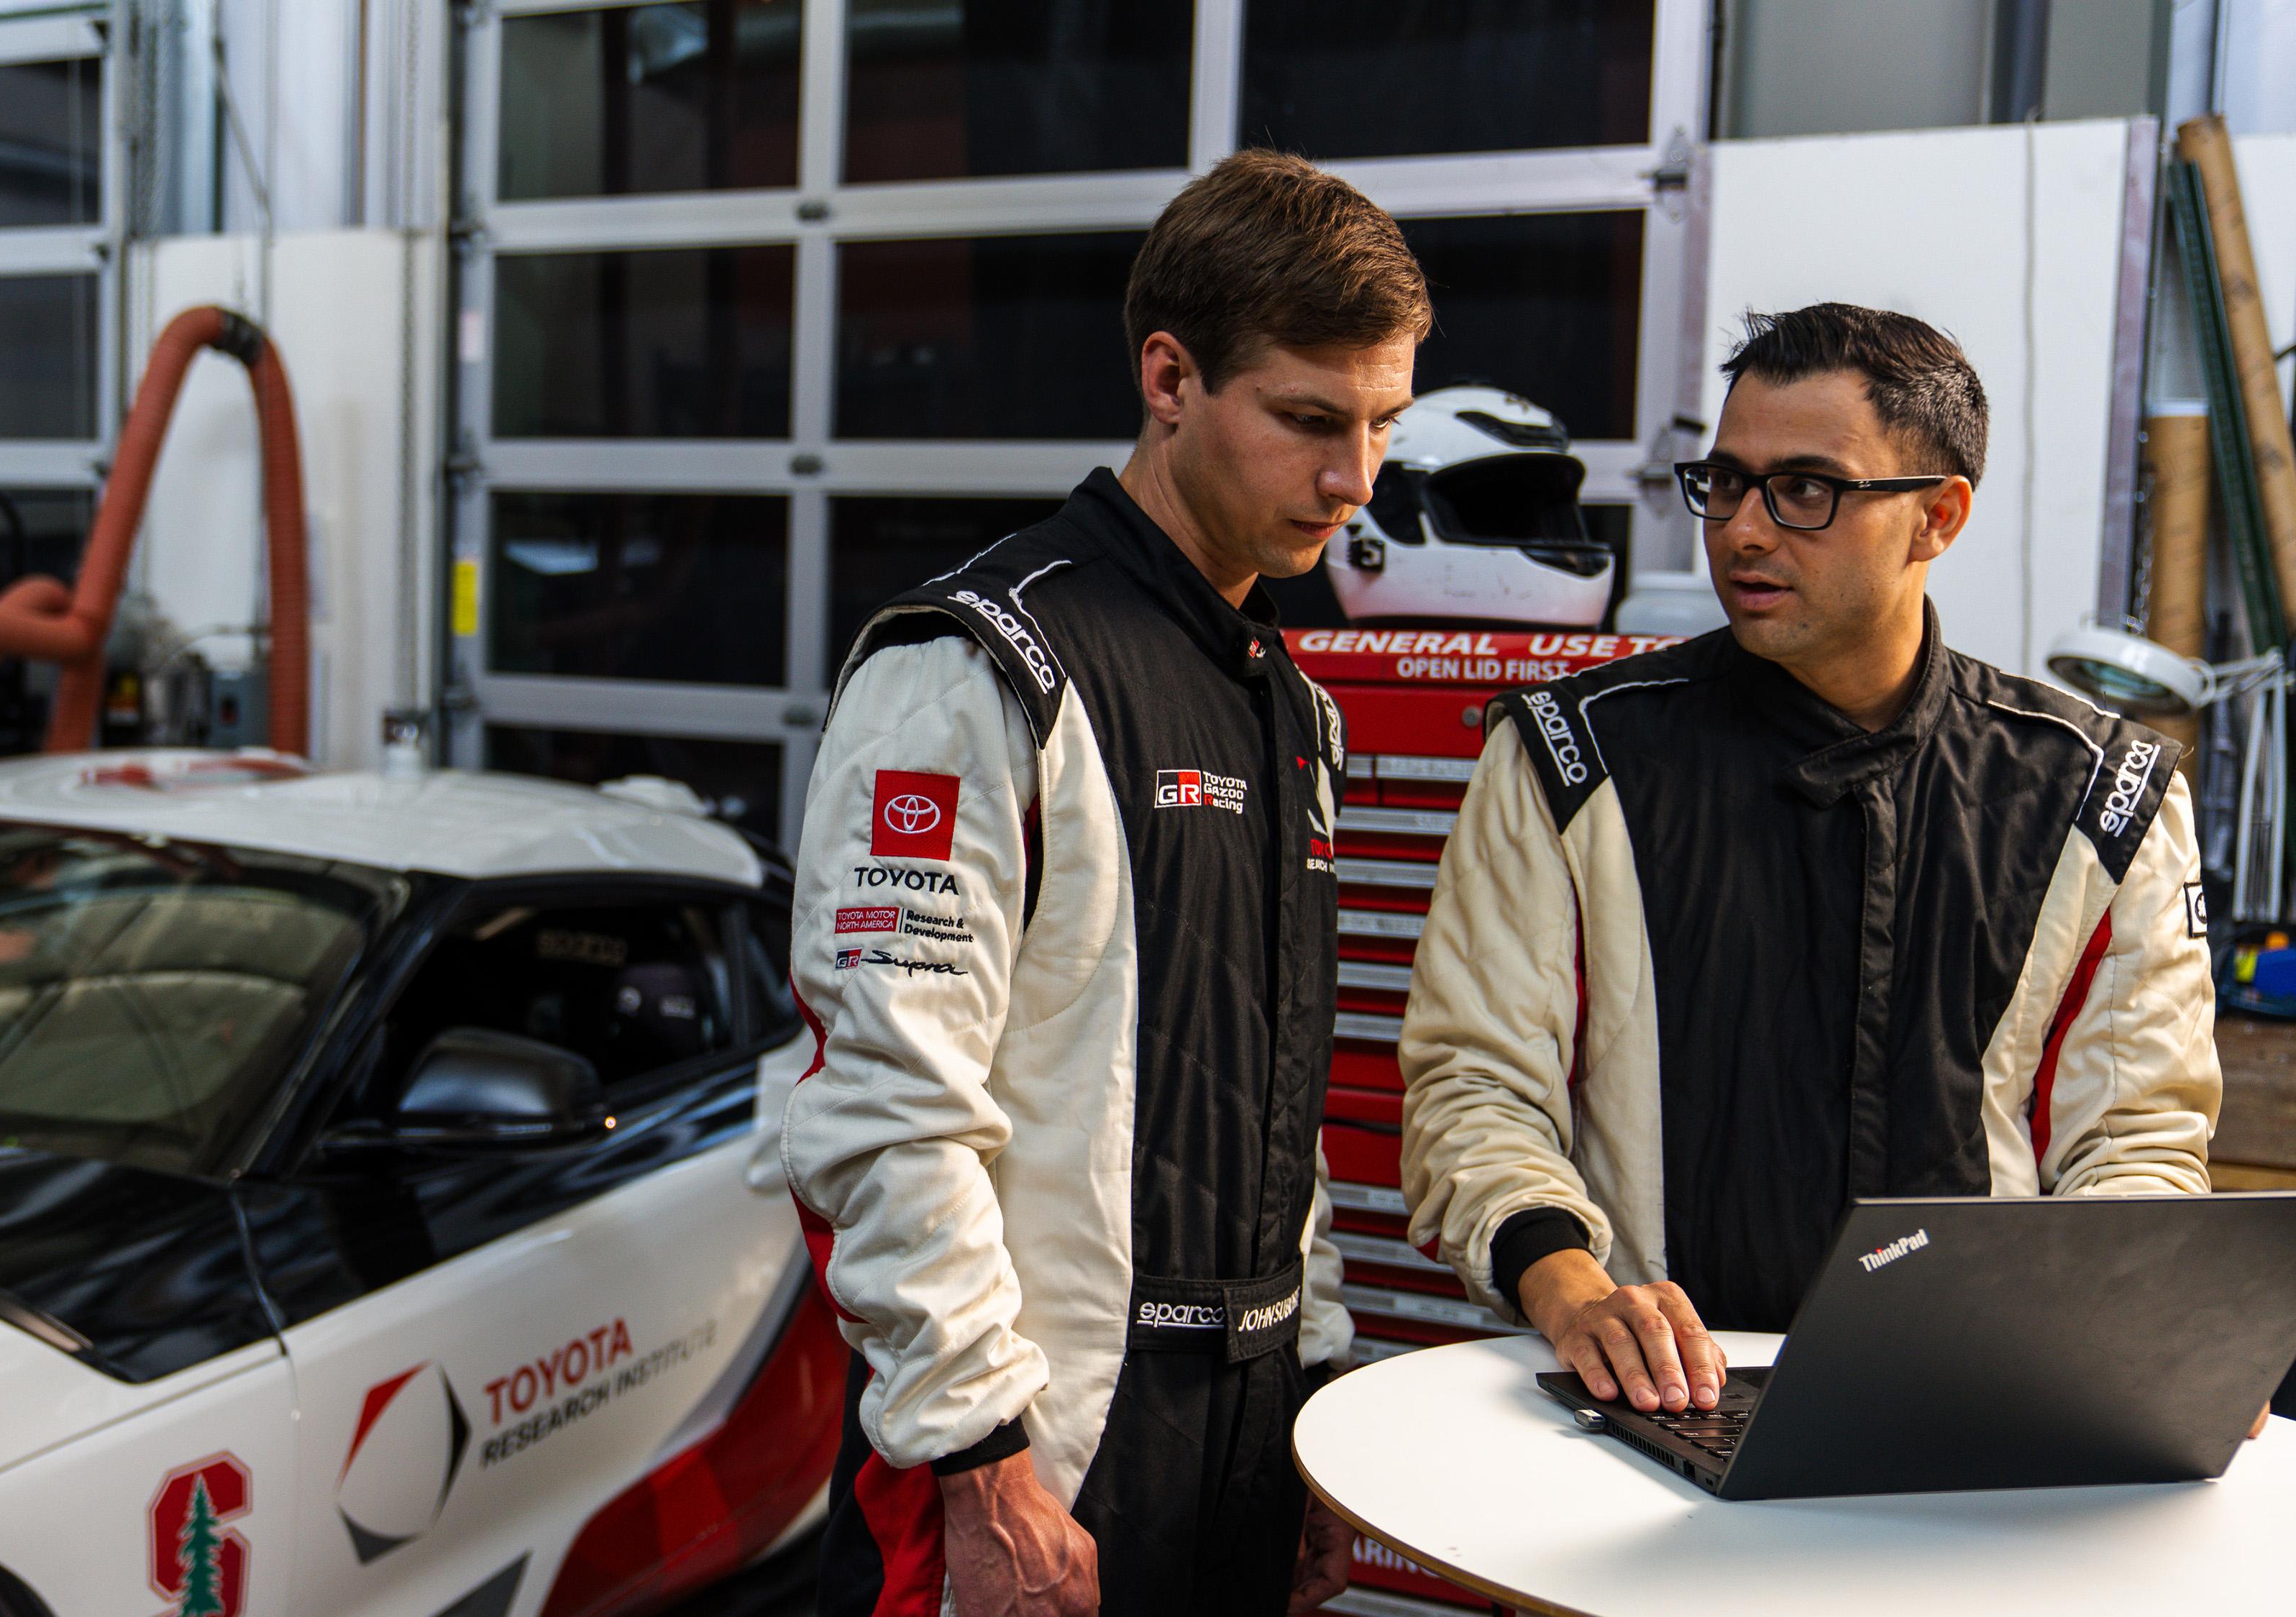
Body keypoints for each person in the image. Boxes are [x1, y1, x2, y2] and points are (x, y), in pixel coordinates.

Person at [781, 150, 1424, 1616]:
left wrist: (1310, 1390)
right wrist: (978, 1459)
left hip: (1244, 1436)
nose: (1353, 480)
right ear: (1167, 376)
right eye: (1308, 421)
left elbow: (1278, 1094)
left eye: (1380, 424)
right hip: (1036, 1451)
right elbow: (885, 1107)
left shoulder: (1287, 702)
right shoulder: (969, 670)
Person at [1401, 303, 2221, 1421]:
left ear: (1939, 517)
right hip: (1651, 1409)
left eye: (1806, 490)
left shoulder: (2101, 793)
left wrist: (2139, 1322)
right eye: (1726, 483)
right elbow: (1474, 1086)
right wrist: (1574, 1289)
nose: (1743, 529)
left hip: (1976, 1407)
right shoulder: (1570, 756)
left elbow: (2134, 1136)